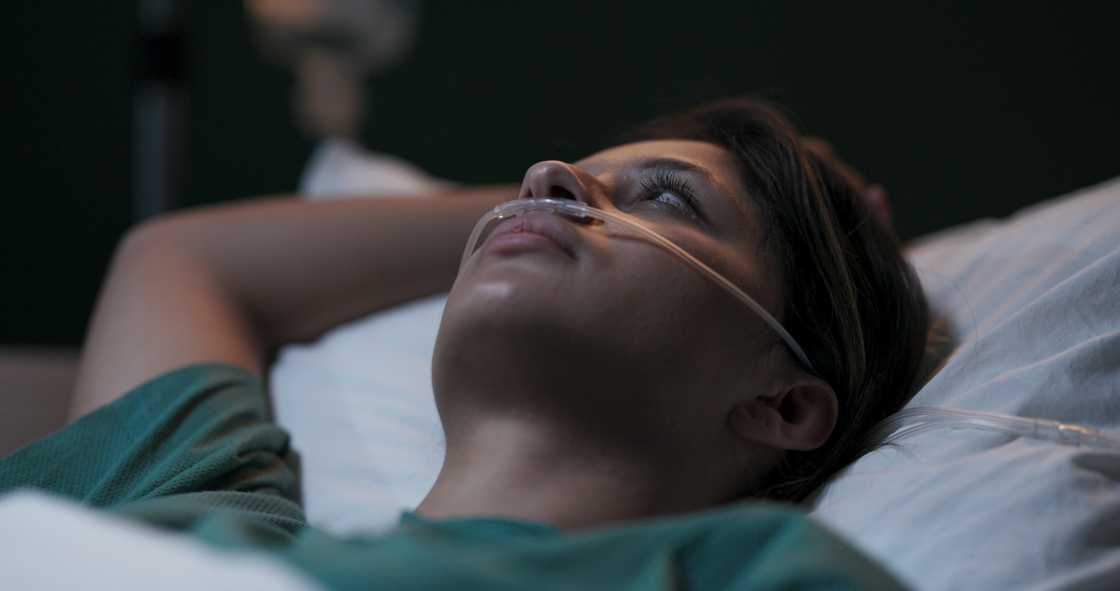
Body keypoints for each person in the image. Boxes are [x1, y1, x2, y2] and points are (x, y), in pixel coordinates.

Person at [1, 98, 929, 589]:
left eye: (669, 201)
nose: (546, 173)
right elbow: (180, 256)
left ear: (784, 402)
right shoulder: (202, 509)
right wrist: (573, 201)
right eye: (560, 175)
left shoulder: (744, 575)